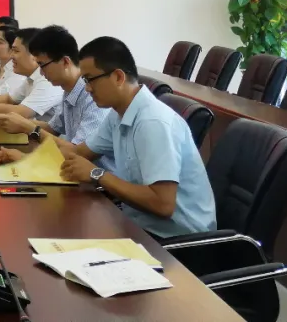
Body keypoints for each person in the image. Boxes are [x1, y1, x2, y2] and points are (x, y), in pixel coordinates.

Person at [56, 36, 216, 238]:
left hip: (177, 241)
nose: (87, 88)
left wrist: (97, 174)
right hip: (136, 224)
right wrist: (29, 159)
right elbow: (79, 153)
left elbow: (163, 204)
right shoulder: (117, 114)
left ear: (118, 77)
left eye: (89, 80)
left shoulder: (153, 123)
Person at [0, 26, 113, 169]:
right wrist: (18, 123)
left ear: (65, 62)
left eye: (43, 65)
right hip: (70, 169)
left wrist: (27, 128)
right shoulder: (69, 90)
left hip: (95, 178)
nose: (41, 73)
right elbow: (52, 128)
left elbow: (78, 153)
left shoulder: (92, 96)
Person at [0, 26, 62, 120]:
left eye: (16, 51)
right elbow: (9, 98)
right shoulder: (31, 77)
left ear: (35, 55)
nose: (12, 55)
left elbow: (24, 112)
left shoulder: (48, 79)